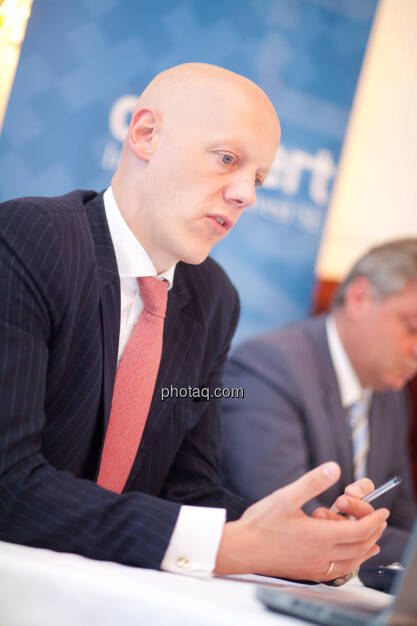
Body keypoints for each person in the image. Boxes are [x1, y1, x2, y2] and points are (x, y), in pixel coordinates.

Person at [0, 63, 388, 582]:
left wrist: (304, 537)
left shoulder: (213, 299)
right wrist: (229, 548)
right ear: (144, 135)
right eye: (227, 159)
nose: (246, 194)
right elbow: (9, 482)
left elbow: (188, 489)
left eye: (257, 178)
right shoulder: (30, 239)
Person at [222, 239, 417, 566]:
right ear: (359, 298)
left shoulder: (390, 395)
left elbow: (400, 518)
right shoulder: (267, 367)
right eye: (412, 328)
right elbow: (292, 523)